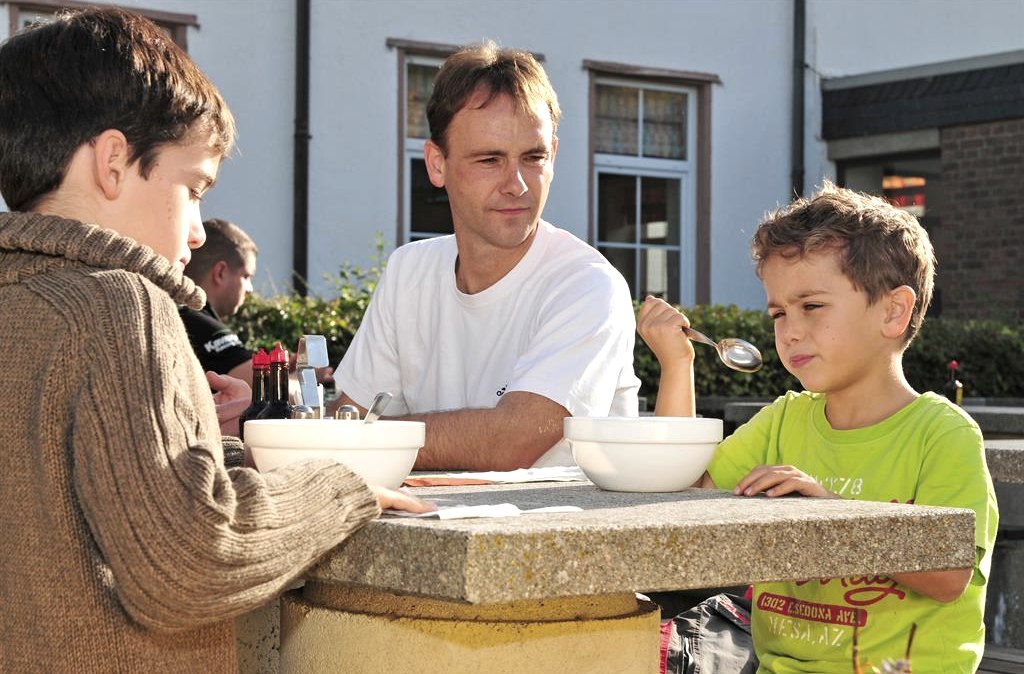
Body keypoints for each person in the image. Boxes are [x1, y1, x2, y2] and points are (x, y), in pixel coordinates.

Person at [0, 9, 431, 672]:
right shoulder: (121, 304)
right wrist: (340, 490)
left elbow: (66, 490)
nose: (200, 232)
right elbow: (190, 562)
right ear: (114, 162)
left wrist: (229, 460)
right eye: (194, 188)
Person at [638, 182, 998, 672]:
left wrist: (829, 514)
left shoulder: (943, 435)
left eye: (811, 306)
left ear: (893, 311)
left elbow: (949, 575)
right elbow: (680, 495)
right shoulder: (784, 420)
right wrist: (678, 364)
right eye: (778, 312)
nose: (789, 330)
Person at [328, 42, 640, 471]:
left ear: (554, 155)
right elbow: (348, 418)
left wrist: (364, 440)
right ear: (437, 164)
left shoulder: (587, 285)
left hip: (554, 534)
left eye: (533, 157)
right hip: (432, 526)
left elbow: (511, 442)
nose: (517, 184)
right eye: (489, 159)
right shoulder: (409, 271)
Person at [180, 217, 258, 384]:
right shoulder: (195, 320)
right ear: (220, 272)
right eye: (246, 276)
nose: (250, 289)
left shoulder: (185, 314)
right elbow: (271, 390)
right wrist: (307, 375)